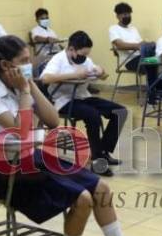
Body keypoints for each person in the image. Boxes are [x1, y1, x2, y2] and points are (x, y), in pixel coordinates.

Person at [0, 35, 162, 236]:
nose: (28, 65)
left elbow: (53, 120)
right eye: (23, 61)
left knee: (101, 189)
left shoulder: (21, 85)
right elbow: (20, 131)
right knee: (82, 198)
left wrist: (30, 86)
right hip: (5, 168)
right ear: (5, 65)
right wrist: (23, 91)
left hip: (32, 156)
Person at [40, 31, 128, 176]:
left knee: (120, 111)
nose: (84, 58)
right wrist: (74, 75)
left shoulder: (85, 60)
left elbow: (103, 76)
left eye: (86, 55)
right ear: (71, 49)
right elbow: (45, 79)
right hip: (64, 100)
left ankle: (103, 151)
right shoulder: (59, 59)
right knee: (92, 115)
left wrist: (101, 71)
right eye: (81, 55)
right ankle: (97, 161)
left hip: (83, 96)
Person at [109, 2, 158, 94]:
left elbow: (140, 44)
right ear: (117, 16)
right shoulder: (114, 29)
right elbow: (120, 45)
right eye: (125, 14)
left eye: (129, 14)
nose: (128, 16)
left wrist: (148, 44)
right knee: (154, 63)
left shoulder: (133, 29)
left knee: (161, 60)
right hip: (130, 61)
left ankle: (157, 91)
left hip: (142, 57)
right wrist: (139, 46)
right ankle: (153, 93)